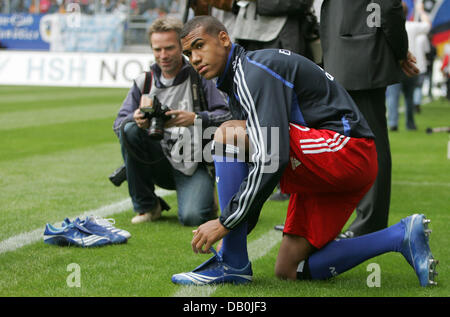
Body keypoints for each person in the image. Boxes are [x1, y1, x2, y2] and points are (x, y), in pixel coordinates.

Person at [170, 16, 438, 286]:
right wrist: (239, 220)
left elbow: (272, 155)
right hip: (340, 163)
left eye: (199, 46)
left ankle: (232, 261)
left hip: (347, 150)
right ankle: (400, 235)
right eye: (189, 53)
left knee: (227, 134)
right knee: (288, 268)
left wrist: (226, 222)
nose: (194, 58)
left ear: (224, 39)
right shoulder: (239, 78)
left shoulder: (253, 71)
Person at [113, 16, 231, 225]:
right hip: (157, 160)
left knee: (193, 217)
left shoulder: (200, 76)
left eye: (169, 48)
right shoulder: (145, 80)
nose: (163, 55)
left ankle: (206, 194)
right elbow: (118, 124)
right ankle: (148, 206)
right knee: (130, 129)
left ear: (181, 46)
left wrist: (195, 118)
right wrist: (137, 118)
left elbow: (228, 116)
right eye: (157, 49)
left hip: (194, 161)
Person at [320, 0, 418, 239]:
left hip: (359, 56)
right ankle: (360, 220)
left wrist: (399, 51)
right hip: (352, 54)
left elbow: (389, 8)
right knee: (354, 140)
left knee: (368, 139)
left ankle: (370, 222)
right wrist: (399, 51)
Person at [386, 1, 432, 131]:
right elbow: (428, 25)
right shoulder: (413, 26)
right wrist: (421, 11)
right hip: (410, 66)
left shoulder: (391, 27)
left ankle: (393, 123)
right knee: (409, 97)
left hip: (395, 67)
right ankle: (410, 124)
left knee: (392, 97)